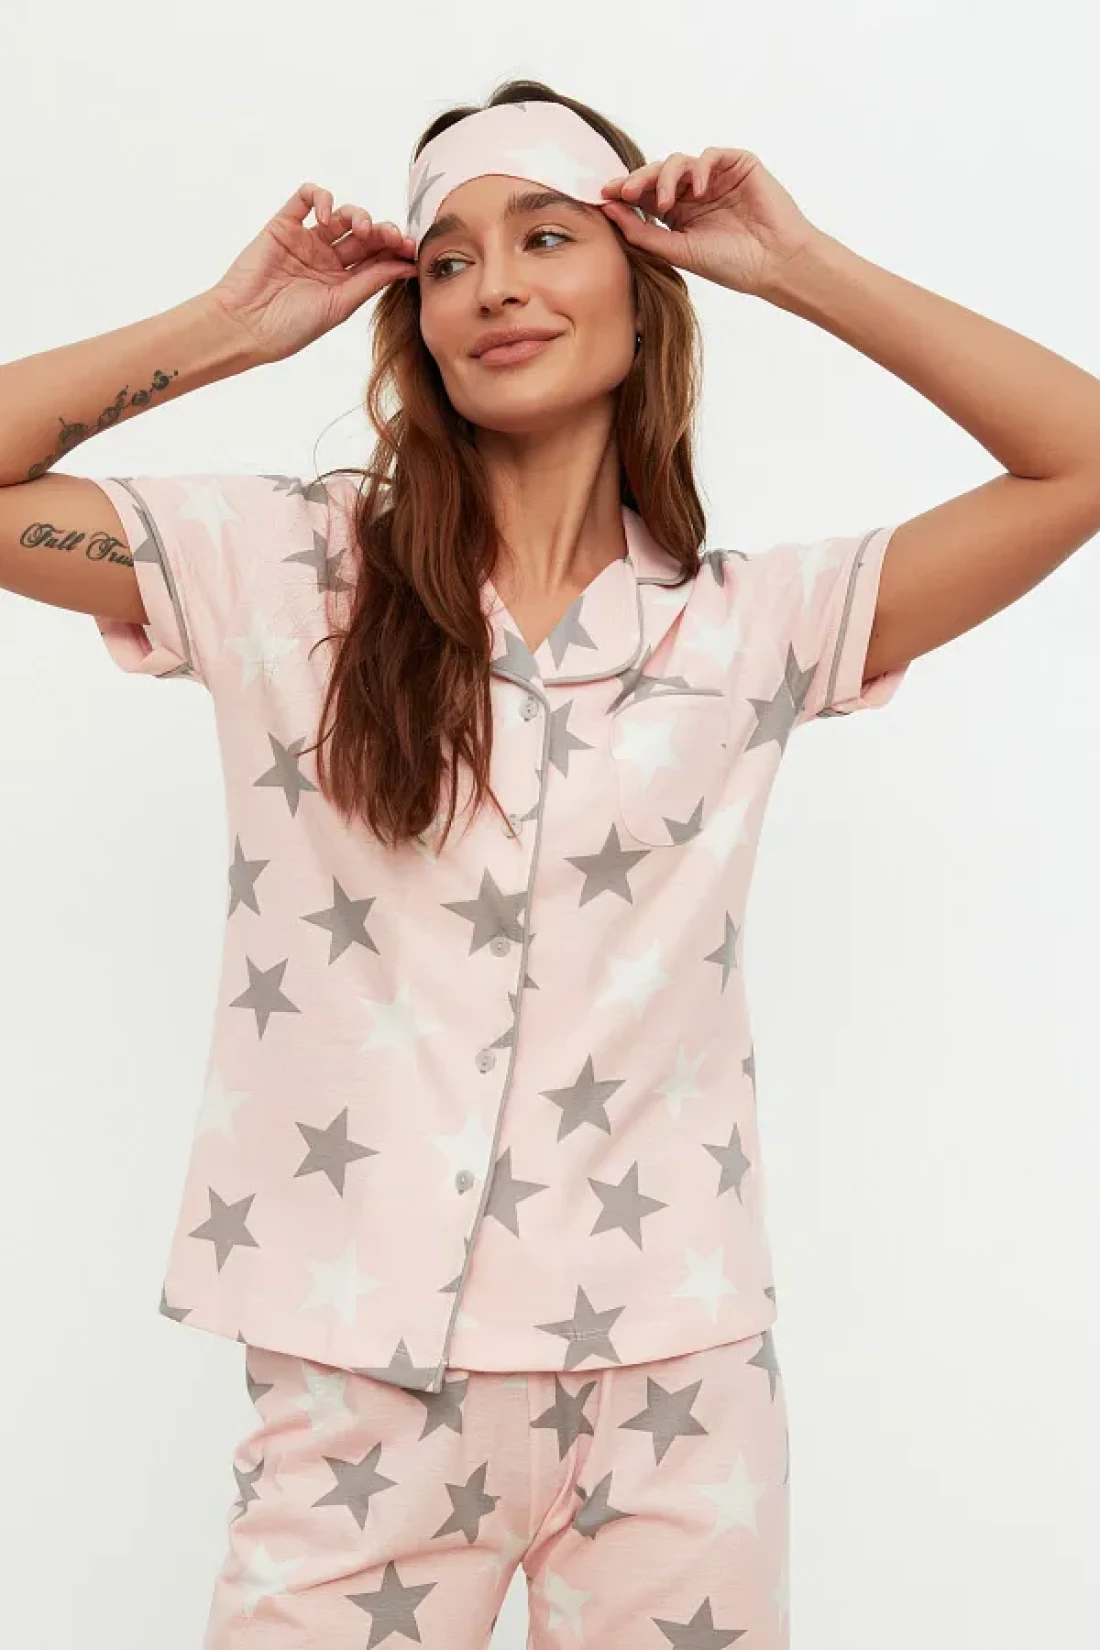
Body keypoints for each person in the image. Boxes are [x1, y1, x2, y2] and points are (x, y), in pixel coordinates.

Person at [4, 73, 1100, 1650]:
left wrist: (798, 267)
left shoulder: (753, 627)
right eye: (448, 260)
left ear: (642, 297)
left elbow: (1078, 457)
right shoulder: (285, 572)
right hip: (357, 1388)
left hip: (673, 1389)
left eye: (545, 235)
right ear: (421, 327)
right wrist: (231, 327)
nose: (494, 283)